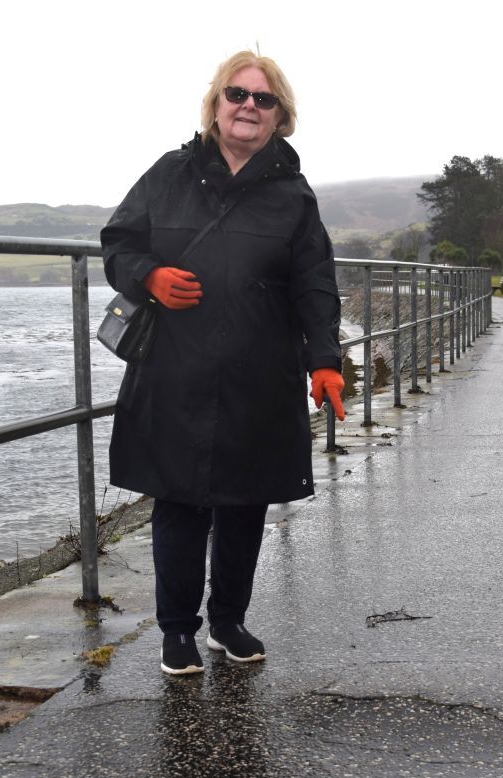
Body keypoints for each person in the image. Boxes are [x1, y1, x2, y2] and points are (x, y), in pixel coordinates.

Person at [100, 51, 346, 676]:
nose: (248, 107)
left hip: (259, 374)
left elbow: (314, 283)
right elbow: (118, 245)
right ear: (215, 104)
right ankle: (177, 631)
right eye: (237, 94)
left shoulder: (294, 196)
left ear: (280, 118)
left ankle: (228, 621)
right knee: (178, 503)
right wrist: (149, 275)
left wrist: (326, 361)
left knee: (245, 502)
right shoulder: (168, 174)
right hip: (174, 371)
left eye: (263, 100)